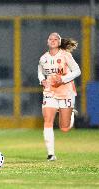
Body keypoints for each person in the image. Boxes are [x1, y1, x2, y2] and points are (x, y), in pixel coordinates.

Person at [38, 32, 81, 161]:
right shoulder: (43, 58)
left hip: (66, 92)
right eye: (50, 38)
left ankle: (70, 113)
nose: (52, 40)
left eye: (55, 38)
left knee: (64, 127)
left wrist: (63, 79)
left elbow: (77, 71)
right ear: (47, 41)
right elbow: (40, 72)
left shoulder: (65, 55)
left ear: (59, 41)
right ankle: (51, 154)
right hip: (50, 92)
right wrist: (42, 81)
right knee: (48, 120)